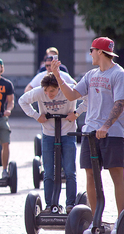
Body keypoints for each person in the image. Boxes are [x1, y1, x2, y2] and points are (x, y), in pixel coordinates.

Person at [51, 36, 124, 234]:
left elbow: (119, 104)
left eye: (92, 50)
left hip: (113, 133)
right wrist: (57, 75)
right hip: (90, 132)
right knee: (90, 174)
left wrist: (105, 126)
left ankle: (121, 221)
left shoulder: (119, 74)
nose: (90, 54)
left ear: (101, 52)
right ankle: (96, 221)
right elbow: (72, 95)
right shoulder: (91, 75)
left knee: (116, 174)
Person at [19, 73, 87, 214]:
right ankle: (50, 205)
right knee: (48, 172)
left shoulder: (69, 90)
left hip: (68, 134)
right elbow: (22, 100)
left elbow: (88, 98)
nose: (48, 94)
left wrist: (76, 113)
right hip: (49, 134)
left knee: (69, 171)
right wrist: (37, 116)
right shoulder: (39, 91)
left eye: (52, 91)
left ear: (59, 88)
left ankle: (70, 205)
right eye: (46, 91)